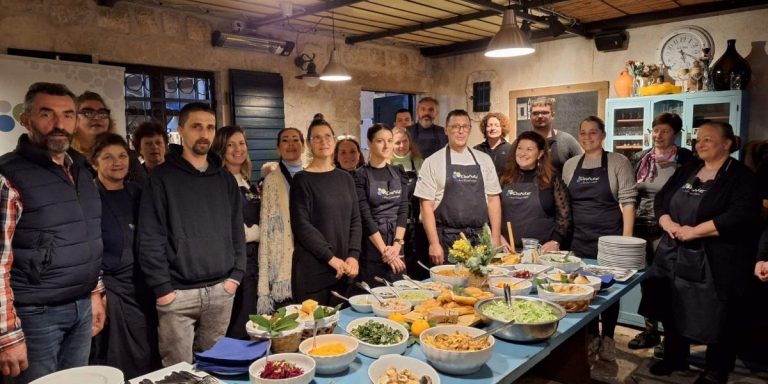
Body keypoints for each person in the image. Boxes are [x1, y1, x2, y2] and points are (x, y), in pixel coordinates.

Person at [0, 83, 105, 383]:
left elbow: (88, 238)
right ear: (26, 119)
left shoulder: (82, 171)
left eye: (68, 115)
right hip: (35, 316)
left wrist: (95, 293)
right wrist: (6, 335)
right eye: (47, 114)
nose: (59, 124)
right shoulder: (8, 175)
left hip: (82, 308)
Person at [644, 121, 759, 384]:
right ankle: (675, 357)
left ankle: (716, 369)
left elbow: (740, 215)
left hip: (716, 259)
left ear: (727, 143)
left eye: (708, 139)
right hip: (675, 252)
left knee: (717, 315)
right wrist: (668, 223)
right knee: (673, 306)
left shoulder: (741, 176)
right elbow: (662, 199)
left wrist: (695, 231)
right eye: (698, 139)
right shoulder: (689, 168)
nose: (700, 144)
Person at [138, 102, 246, 366]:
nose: (204, 134)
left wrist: (235, 276)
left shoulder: (224, 179)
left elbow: (236, 231)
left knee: (216, 366)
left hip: (221, 289)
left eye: (210, 127)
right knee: (178, 372)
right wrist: (163, 289)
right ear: (181, 130)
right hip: (178, 294)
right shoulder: (160, 179)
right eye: (196, 126)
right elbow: (150, 238)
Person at [562, 116, 637, 362]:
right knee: (584, 288)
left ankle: (609, 339)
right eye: (583, 133)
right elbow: (564, 202)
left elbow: (627, 201)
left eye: (592, 132)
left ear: (602, 135)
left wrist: (626, 241)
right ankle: (592, 335)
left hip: (609, 239)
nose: (587, 137)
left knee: (609, 290)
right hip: (578, 238)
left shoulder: (618, 161)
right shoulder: (571, 164)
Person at [88, 133, 159, 377]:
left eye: (121, 156)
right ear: (94, 162)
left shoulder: (138, 192)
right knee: (119, 360)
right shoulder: (88, 197)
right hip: (113, 291)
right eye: (107, 157)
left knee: (150, 352)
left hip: (144, 286)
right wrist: (100, 294)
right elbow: (88, 250)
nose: (116, 162)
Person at [629, 113, 696, 351]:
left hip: (667, 228)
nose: (658, 135)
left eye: (665, 131)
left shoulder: (686, 159)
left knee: (668, 281)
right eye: (655, 130)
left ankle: (672, 337)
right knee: (645, 281)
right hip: (639, 226)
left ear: (676, 134)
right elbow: (630, 192)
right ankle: (650, 331)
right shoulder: (640, 157)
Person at [415, 109, 502, 266]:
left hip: (480, 239)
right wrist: (434, 243)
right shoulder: (432, 162)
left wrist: (495, 238)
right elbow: (425, 206)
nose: (461, 131)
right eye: (455, 126)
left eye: (465, 126)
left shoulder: (484, 159)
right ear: (446, 130)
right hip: (447, 240)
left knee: (480, 288)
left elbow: (493, 199)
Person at [290, 120, 362, 305]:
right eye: (317, 138)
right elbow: (302, 226)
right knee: (315, 332)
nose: (324, 142)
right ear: (308, 143)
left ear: (334, 140)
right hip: (314, 271)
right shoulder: (301, 180)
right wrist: (331, 258)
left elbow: (355, 220)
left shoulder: (345, 178)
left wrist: (353, 256)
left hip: (344, 270)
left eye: (328, 136)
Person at [212, 126, 260, 340]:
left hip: (254, 258)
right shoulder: (219, 181)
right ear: (221, 148)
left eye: (241, 143)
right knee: (239, 323)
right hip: (235, 261)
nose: (237, 149)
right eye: (230, 144)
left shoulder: (245, 179)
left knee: (251, 318)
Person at [257, 128, 305, 314]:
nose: (291, 144)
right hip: (283, 256)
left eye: (295, 139)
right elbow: (266, 226)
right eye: (285, 140)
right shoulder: (271, 180)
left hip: (310, 254)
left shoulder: (312, 175)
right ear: (278, 148)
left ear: (303, 145)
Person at [355, 124, 409, 287]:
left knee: (400, 296)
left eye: (390, 141)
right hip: (373, 244)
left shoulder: (399, 172)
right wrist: (385, 251)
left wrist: (397, 246)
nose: (386, 146)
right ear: (369, 143)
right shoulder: (360, 176)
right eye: (380, 141)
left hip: (396, 242)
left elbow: (403, 209)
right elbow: (365, 216)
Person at [499, 131, 571, 253]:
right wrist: (498, 237)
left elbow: (565, 216)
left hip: (541, 253)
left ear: (540, 154)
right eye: (520, 148)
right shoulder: (504, 178)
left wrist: (555, 241)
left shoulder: (552, 178)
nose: (523, 153)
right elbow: (492, 210)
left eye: (529, 149)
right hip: (508, 251)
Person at [72, 91, 146, 183]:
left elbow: (145, 191)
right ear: (73, 120)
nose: (96, 117)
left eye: (102, 113)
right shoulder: (66, 159)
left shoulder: (127, 156)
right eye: (88, 113)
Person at [391, 127, 426, 279]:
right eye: (397, 142)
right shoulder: (387, 164)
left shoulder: (419, 163)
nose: (402, 146)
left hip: (416, 223)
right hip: (395, 223)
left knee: (418, 265)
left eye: (405, 141)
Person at [529, 97, 582, 172]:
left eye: (544, 112)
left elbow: (582, 171)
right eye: (535, 113)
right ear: (530, 116)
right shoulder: (520, 142)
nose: (540, 116)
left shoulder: (567, 141)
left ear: (553, 115)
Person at [474, 112, 513, 179]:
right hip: (483, 188)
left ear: (502, 128)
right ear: (485, 128)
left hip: (504, 188)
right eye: (489, 125)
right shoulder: (477, 150)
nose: (492, 128)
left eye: (496, 125)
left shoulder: (511, 149)